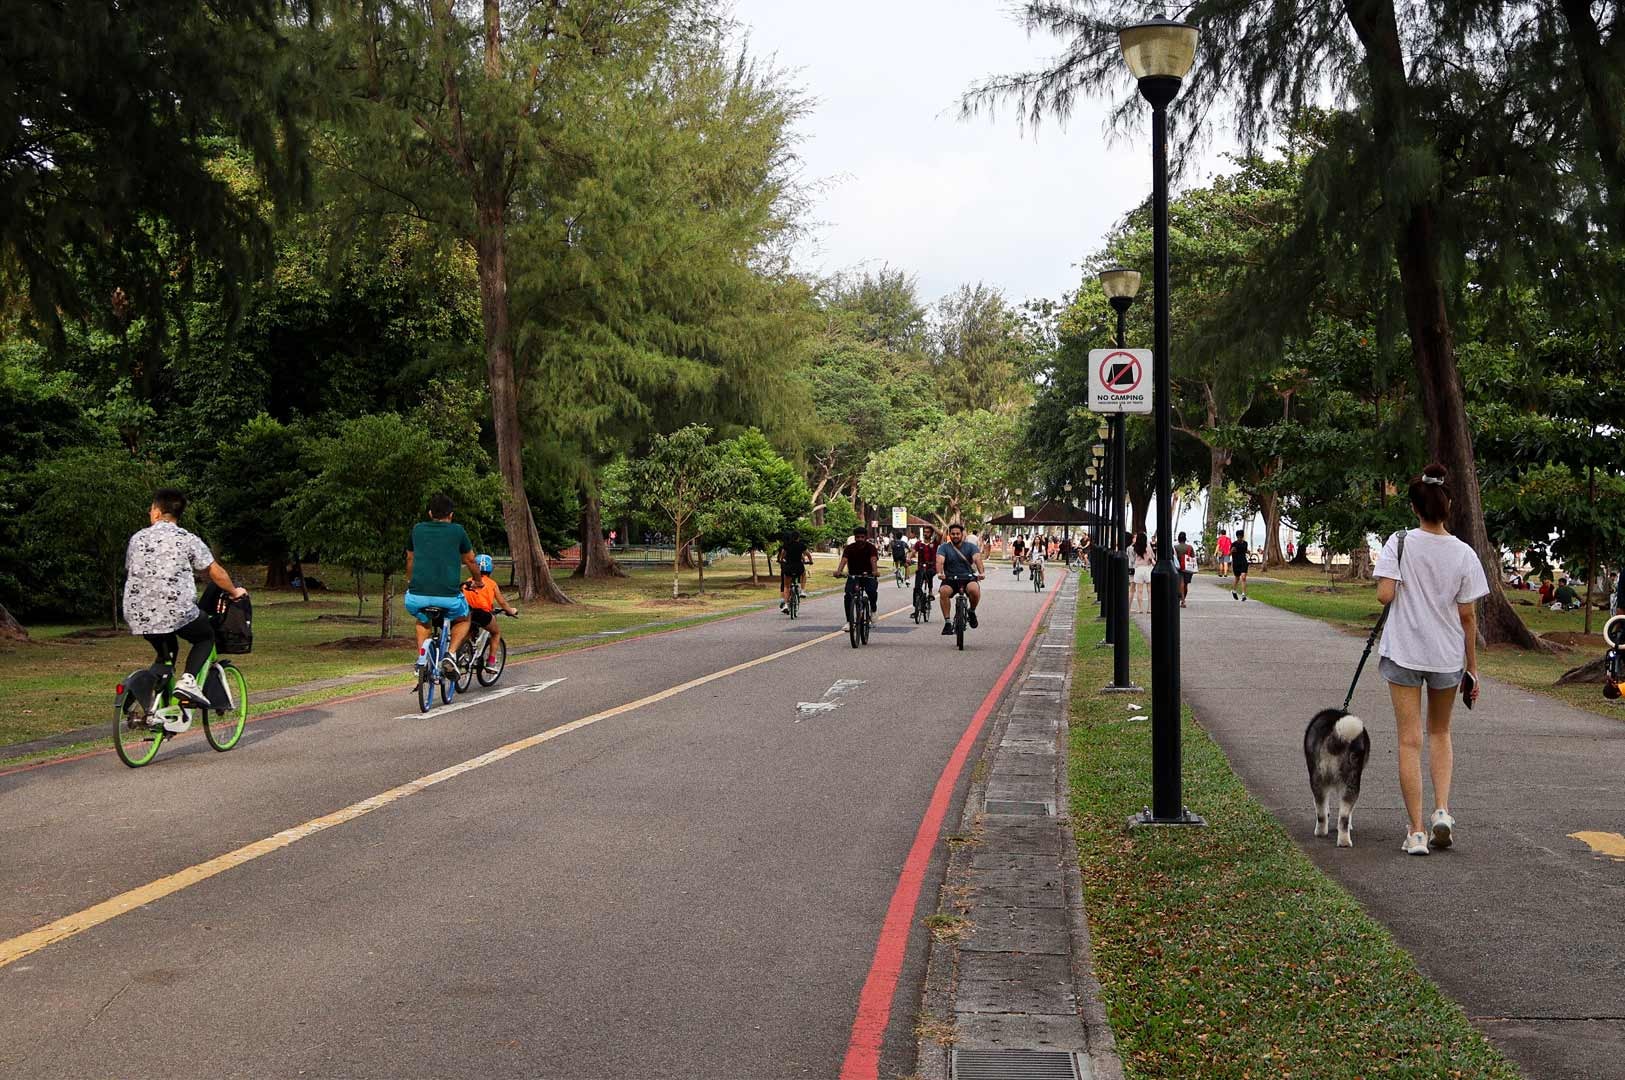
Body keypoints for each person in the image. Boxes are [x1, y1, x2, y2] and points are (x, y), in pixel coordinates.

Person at [1374, 464, 1489, 856]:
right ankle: (1442, 810)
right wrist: (1471, 667)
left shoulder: (1399, 542)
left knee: (1409, 741)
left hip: (1404, 651)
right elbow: (1468, 615)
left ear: (1414, 507)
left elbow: (1384, 596)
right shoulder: (1464, 553)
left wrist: (1397, 579)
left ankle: (1417, 831)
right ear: (1449, 505)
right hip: (1446, 656)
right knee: (1440, 733)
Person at [123, 487, 248, 710]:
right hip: (176, 611)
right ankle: (188, 681)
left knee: (167, 654)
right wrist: (234, 591)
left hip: (137, 614)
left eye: (151, 509)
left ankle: (153, 697)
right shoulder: (187, 539)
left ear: (158, 512)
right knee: (205, 637)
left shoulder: (137, 539)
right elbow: (214, 572)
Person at [404, 492, 480, 677]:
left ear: (430, 513)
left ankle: (422, 659)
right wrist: (478, 580)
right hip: (448, 597)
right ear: (451, 514)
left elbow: (410, 558)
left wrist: (409, 580)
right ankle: (451, 654)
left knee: (423, 620)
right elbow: (470, 560)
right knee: (464, 618)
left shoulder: (417, 529)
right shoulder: (457, 531)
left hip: (416, 596)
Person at [461, 554, 517, 666]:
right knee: (496, 633)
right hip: (482, 614)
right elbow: (502, 602)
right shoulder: (491, 584)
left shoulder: (468, 581)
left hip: (466, 613)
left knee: (465, 632)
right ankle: (491, 661)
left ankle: (462, 654)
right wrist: (511, 611)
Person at [937, 522, 986, 635]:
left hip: (968, 577)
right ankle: (948, 622)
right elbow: (940, 560)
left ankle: (972, 611)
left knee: (974, 589)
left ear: (962, 534)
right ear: (950, 535)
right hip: (950, 578)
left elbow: (977, 559)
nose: (955, 536)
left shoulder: (971, 547)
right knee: (943, 592)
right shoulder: (944, 547)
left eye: (957, 534)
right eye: (953, 534)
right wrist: (940, 573)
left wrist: (981, 573)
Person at [834, 526, 880, 632]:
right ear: (854, 538)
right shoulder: (849, 548)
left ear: (866, 537)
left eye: (862, 537)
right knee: (848, 596)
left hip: (868, 575)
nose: (860, 539)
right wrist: (839, 571)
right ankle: (849, 622)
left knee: (871, 591)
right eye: (857, 537)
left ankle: (873, 609)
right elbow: (844, 560)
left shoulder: (871, 548)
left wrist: (875, 572)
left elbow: (873, 559)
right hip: (854, 576)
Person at [773, 528, 813, 612]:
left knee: (787, 586)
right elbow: (807, 554)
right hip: (798, 566)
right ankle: (802, 590)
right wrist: (810, 561)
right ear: (798, 537)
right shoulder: (801, 545)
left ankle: (786, 605)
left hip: (789, 567)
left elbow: (783, 554)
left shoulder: (787, 545)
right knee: (803, 574)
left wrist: (781, 560)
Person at [911, 524, 940, 619]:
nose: (926, 534)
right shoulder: (919, 543)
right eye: (925, 532)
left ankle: (930, 591)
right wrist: (908, 558)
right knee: (916, 588)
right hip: (921, 566)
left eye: (928, 532)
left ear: (932, 533)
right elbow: (913, 552)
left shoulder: (935, 542)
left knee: (929, 573)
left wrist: (932, 526)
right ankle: (916, 608)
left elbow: (941, 534)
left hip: (932, 566)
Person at [1129, 532, 1154, 614]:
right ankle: (1149, 608)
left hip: (1138, 569)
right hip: (1147, 568)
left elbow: (1132, 560)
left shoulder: (1134, 548)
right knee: (1149, 590)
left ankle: (1140, 609)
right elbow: (1151, 558)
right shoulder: (1149, 547)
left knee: (1139, 590)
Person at [1174, 531, 1197, 607]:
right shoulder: (1190, 547)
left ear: (1178, 539)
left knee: (1181, 584)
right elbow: (1193, 558)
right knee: (1185, 585)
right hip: (1188, 568)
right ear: (1185, 538)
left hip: (1178, 568)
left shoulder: (1175, 547)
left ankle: (1183, 600)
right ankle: (1183, 600)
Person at [1230, 529, 1251, 601]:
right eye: (1238, 537)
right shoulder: (1234, 544)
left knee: (1243, 577)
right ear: (1237, 537)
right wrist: (1232, 551)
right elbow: (1230, 552)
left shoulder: (1245, 543)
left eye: (1241, 537)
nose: (1239, 538)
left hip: (1243, 561)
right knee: (1237, 578)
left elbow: (1245, 550)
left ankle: (1243, 594)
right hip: (1236, 562)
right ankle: (1234, 590)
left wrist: (1248, 552)